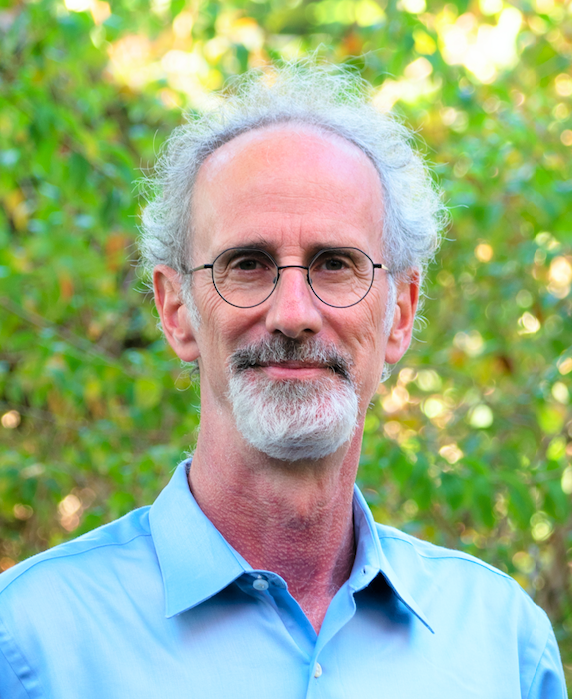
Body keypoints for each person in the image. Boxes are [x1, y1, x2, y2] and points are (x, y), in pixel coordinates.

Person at [0, 63, 566, 698]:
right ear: (176, 310)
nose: (294, 313)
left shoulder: (501, 643)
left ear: (399, 314)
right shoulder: (30, 641)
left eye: (335, 264)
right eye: (247, 264)